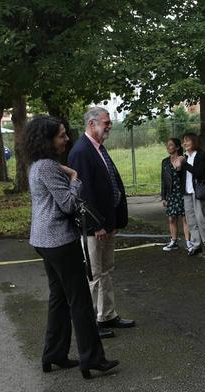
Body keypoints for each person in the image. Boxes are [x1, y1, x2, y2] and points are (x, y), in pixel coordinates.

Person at [26, 115, 119, 379]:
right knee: (79, 301)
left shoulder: (38, 165)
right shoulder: (48, 167)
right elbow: (68, 204)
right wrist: (76, 177)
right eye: (61, 135)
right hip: (59, 241)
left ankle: (53, 354)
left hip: (44, 241)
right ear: (47, 140)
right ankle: (92, 359)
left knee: (58, 298)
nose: (67, 139)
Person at [68, 107, 135, 337]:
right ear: (92, 123)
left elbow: (109, 185)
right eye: (106, 122)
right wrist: (96, 225)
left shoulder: (97, 148)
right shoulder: (81, 150)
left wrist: (113, 220)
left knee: (106, 270)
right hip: (94, 228)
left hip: (106, 224)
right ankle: (92, 324)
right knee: (94, 274)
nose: (109, 126)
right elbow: (82, 193)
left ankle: (107, 315)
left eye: (109, 123)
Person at [174, 132, 205, 256]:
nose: (184, 143)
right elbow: (181, 176)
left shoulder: (201, 155)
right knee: (191, 220)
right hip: (187, 191)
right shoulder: (185, 156)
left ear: (194, 141)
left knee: (201, 218)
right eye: (183, 141)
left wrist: (185, 164)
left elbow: (199, 173)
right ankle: (196, 244)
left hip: (198, 191)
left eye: (187, 141)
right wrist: (178, 168)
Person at [161, 137, 190, 251]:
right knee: (172, 218)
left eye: (171, 145)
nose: (168, 147)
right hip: (171, 193)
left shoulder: (184, 159)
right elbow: (163, 180)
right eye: (167, 145)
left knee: (185, 218)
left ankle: (188, 242)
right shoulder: (165, 162)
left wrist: (180, 165)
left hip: (183, 192)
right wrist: (163, 197)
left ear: (177, 147)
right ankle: (174, 241)